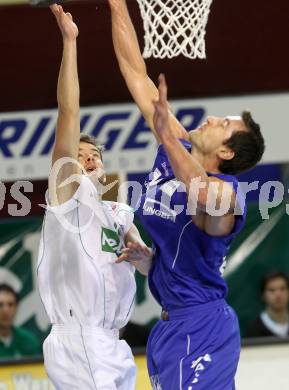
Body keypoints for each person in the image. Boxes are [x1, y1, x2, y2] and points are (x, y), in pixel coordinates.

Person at [108, 1, 265, 388]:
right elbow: (134, 70)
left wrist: (165, 133)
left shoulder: (228, 196)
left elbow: (199, 191)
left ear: (226, 152)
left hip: (203, 326)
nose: (212, 118)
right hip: (169, 329)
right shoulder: (172, 150)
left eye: (224, 124)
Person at [37, 5, 152, 390]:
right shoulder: (68, 195)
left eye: (94, 155)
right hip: (79, 336)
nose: (87, 159)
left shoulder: (119, 213)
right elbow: (68, 112)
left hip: (113, 342)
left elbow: (147, 267)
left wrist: (147, 261)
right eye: (80, 154)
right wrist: (70, 42)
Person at [0, 284, 40, 359]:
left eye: (10, 304)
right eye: (0, 305)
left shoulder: (29, 341)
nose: (5, 310)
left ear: (17, 308)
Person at [246, 271, 289, 338]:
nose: (278, 295)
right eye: (272, 290)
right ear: (263, 295)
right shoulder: (254, 329)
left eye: (282, 289)